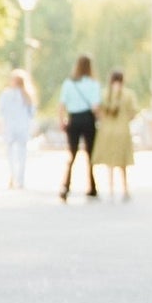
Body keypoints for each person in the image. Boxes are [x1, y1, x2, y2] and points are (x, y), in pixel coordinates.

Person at [58, 54, 102, 201]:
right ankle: (92, 187)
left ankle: (66, 185)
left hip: (74, 119)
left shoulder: (69, 83)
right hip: (88, 119)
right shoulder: (93, 84)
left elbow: (61, 105)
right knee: (90, 154)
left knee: (72, 154)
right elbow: (96, 106)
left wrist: (62, 121)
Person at [93, 69, 138, 199]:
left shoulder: (104, 93)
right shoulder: (128, 94)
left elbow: (97, 110)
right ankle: (125, 189)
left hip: (107, 132)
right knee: (122, 163)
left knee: (110, 163)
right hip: (122, 131)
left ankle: (111, 189)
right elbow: (133, 113)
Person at [0, 69, 36, 190]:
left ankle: (12, 176)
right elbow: (32, 113)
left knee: (10, 154)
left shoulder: (6, 94)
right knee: (22, 154)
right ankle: (21, 180)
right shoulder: (28, 95)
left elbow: (1, 111)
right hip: (23, 127)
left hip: (10, 127)